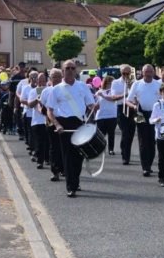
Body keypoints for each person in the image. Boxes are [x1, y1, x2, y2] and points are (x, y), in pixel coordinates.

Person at [44, 60, 96, 198]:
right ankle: (70, 186)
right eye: (68, 68)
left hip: (79, 122)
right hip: (64, 124)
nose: (71, 70)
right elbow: (49, 110)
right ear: (62, 71)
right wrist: (57, 124)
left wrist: (94, 108)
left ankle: (75, 181)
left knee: (78, 156)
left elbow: (91, 104)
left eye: (73, 68)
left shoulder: (83, 87)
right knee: (67, 156)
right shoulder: (56, 89)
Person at [126, 64, 161, 177]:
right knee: (142, 140)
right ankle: (145, 167)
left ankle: (149, 164)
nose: (149, 73)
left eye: (151, 71)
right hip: (139, 113)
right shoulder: (137, 84)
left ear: (154, 72)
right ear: (142, 72)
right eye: (146, 71)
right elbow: (128, 100)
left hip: (154, 114)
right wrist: (134, 106)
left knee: (152, 141)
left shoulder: (158, 84)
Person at [114, 64, 137, 165]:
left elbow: (136, 96)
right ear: (121, 72)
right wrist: (126, 94)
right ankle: (125, 156)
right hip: (121, 109)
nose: (126, 75)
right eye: (124, 73)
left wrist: (131, 89)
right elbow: (114, 97)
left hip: (132, 108)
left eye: (128, 73)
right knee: (125, 133)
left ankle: (127, 153)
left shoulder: (134, 82)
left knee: (131, 133)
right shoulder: (116, 82)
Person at [94, 75, 120, 155]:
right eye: (110, 82)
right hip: (101, 116)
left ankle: (111, 149)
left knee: (111, 133)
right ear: (105, 83)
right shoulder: (99, 91)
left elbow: (112, 99)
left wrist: (103, 95)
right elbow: (96, 104)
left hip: (112, 115)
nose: (111, 84)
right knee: (101, 134)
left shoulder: (114, 92)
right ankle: (99, 149)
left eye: (112, 82)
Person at [30, 72, 50, 169]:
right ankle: (40, 161)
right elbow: (30, 104)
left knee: (48, 142)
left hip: (48, 120)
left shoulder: (50, 90)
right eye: (40, 80)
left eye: (43, 80)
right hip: (37, 121)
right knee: (39, 142)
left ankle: (47, 159)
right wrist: (37, 100)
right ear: (37, 81)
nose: (42, 82)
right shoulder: (33, 91)